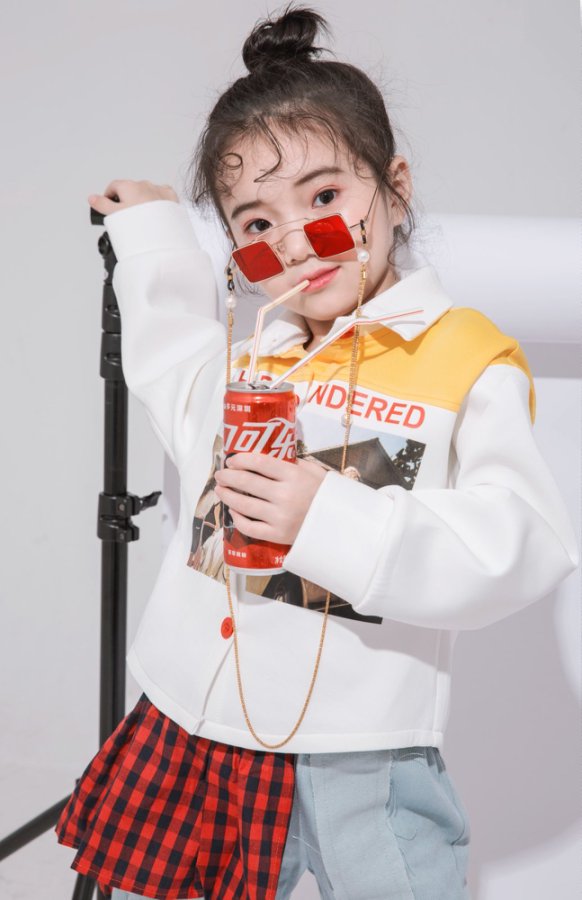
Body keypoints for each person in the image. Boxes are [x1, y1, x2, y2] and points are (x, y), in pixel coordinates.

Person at [55, 5, 580, 900]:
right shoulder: (251, 352)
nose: (296, 243)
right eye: (256, 223)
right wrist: (152, 232)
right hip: (197, 716)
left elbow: (526, 541)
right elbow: (170, 357)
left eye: (326, 199)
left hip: (358, 749)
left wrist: (327, 517)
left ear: (395, 188)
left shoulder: (464, 355)